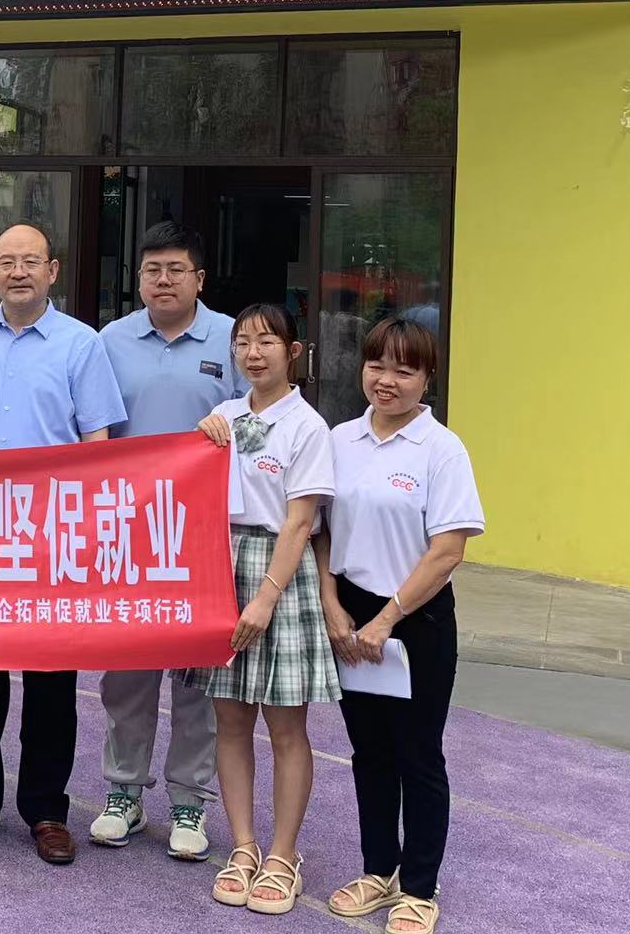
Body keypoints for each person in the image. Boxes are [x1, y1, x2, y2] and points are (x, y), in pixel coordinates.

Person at [0, 222, 126, 866]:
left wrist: (85, 523)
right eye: (7, 262)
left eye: (30, 262)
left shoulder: (82, 344)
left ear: (52, 271)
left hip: (51, 537)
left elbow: (96, 441)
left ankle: (46, 810)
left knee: (50, 684)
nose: (18, 272)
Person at [316, 318, 484, 934]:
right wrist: (333, 606)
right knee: (368, 751)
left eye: (404, 370)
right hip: (350, 614)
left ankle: (418, 886)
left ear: (427, 378)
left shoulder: (442, 449)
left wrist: (387, 619)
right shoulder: (340, 439)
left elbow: (447, 551)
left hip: (417, 620)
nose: (386, 381)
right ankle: (378, 869)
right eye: (377, 366)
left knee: (418, 754)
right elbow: (320, 529)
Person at [90, 222, 237, 861]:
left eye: (176, 269)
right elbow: (92, 430)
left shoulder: (233, 339)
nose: (163, 280)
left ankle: (188, 800)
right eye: (152, 269)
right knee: (127, 672)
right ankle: (124, 791)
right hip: (128, 533)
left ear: (199, 279)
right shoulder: (109, 342)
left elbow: (259, 421)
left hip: (205, 536)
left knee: (198, 676)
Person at [190, 304, 340, 915]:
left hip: (281, 571)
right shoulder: (224, 415)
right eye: (243, 342)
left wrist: (264, 597)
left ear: (293, 351)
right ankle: (243, 846)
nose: (254, 353)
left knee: (285, 727)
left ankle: (283, 854)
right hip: (219, 565)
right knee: (228, 721)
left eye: (267, 341)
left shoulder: (309, 427)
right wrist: (200, 435)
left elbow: (301, 522)